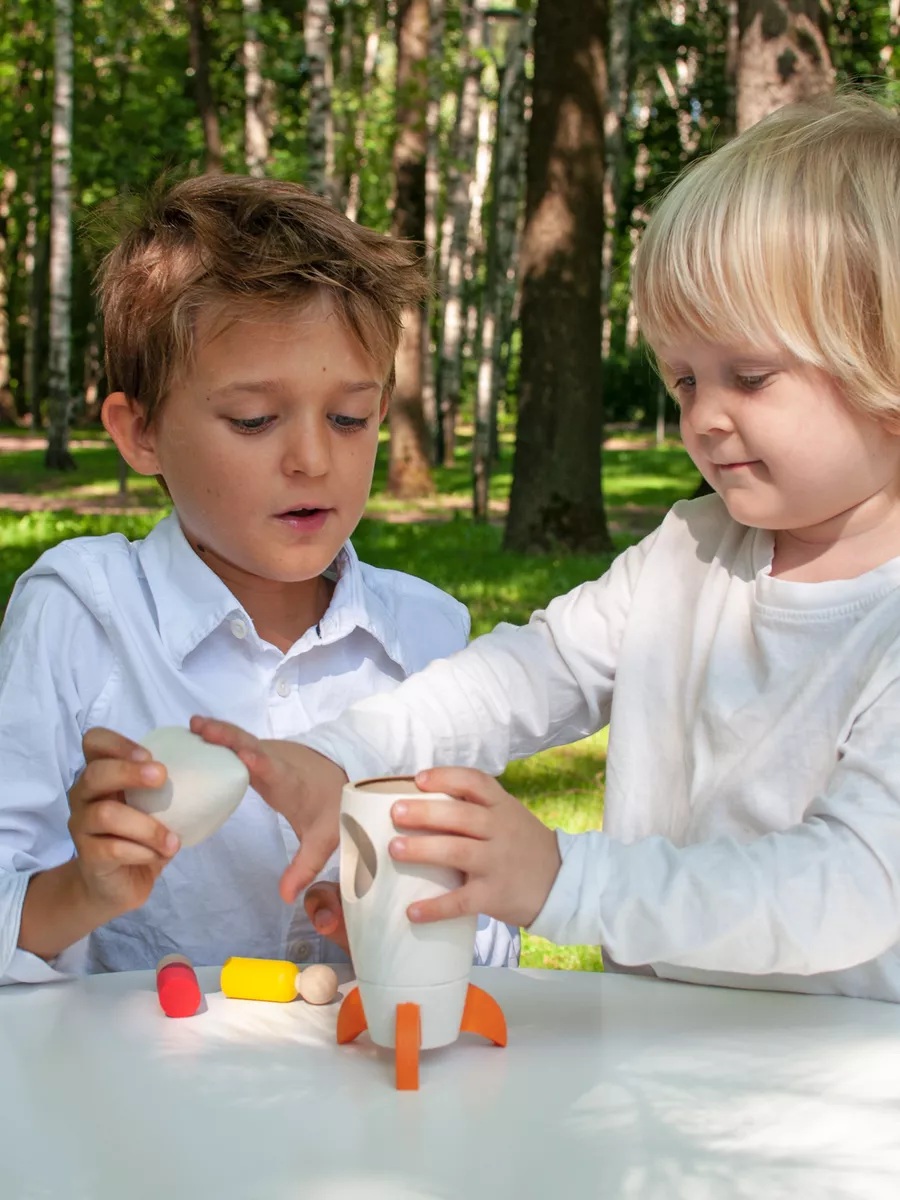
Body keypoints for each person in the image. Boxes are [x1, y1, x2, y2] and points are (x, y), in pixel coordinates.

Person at [194, 94, 900, 1004]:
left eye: (751, 377)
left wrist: (565, 880)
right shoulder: (688, 552)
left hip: (846, 1075)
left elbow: (850, 888)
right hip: (652, 1042)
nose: (704, 417)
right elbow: (519, 679)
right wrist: (337, 754)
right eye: (685, 379)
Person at [0, 174, 519, 986]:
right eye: (253, 420)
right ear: (139, 433)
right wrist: (83, 890)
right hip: (135, 1067)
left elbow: (490, 943)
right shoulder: (81, 616)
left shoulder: (428, 636)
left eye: (350, 418)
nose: (312, 458)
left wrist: (397, 924)